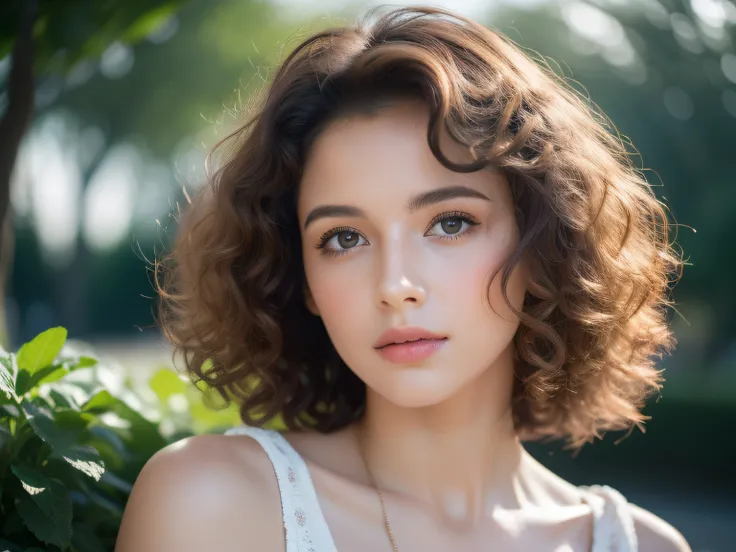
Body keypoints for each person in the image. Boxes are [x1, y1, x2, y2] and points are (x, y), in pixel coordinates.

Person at [115, 6, 690, 551]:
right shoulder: (210, 504)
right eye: (344, 238)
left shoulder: (640, 544)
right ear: (304, 279)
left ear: (543, 243)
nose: (395, 284)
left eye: (450, 222)